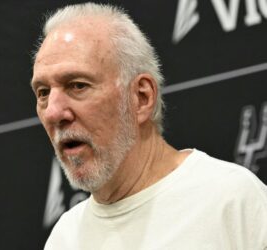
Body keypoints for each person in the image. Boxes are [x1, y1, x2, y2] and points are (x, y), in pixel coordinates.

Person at [31, 2, 267, 249]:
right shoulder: (65, 238)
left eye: (78, 85)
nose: (53, 112)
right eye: (43, 92)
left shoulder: (233, 201)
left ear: (141, 97)